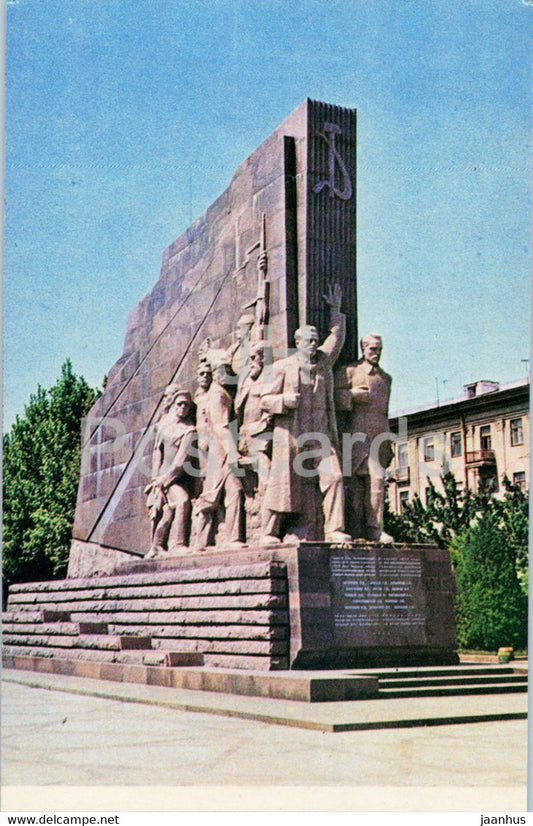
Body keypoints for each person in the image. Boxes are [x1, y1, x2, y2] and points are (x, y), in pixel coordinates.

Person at [259, 284, 351, 544]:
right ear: (297, 343)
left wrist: (335, 310)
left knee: (334, 476)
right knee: (282, 486)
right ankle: (269, 532)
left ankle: (334, 529)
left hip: (320, 435)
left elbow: (336, 339)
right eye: (308, 341)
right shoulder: (282, 367)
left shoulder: (323, 363)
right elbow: (264, 400)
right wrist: (283, 401)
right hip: (292, 434)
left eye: (315, 340)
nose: (313, 344)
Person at [335, 333, 393, 542]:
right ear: (363, 349)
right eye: (373, 349)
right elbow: (331, 398)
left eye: (379, 349)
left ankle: (372, 528)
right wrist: (351, 396)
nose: (377, 353)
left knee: (373, 480)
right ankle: (366, 527)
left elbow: (384, 412)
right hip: (356, 435)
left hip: (379, 436)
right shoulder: (350, 371)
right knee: (359, 483)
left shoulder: (385, 378)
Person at [192, 352, 245, 549]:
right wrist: (232, 451)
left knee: (232, 491)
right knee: (211, 497)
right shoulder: (217, 394)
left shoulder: (221, 392)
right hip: (219, 452)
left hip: (221, 450)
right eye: (224, 370)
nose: (228, 374)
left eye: (229, 370)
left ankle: (232, 538)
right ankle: (200, 542)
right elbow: (220, 426)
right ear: (216, 373)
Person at [144, 389, 197, 558]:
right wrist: (155, 478)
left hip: (175, 479)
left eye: (186, 405)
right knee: (165, 513)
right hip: (160, 478)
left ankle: (177, 544)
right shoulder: (163, 425)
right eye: (180, 404)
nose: (183, 407)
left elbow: (180, 462)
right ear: (173, 405)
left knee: (182, 501)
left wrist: (164, 480)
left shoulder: (190, 431)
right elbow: (157, 451)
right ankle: (157, 546)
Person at [234, 341, 273, 540]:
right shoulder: (246, 380)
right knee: (245, 488)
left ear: (264, 358)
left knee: (266, 476)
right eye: (249, 357)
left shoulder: (271, 379)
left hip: (260, 437)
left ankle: (267, 530)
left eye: (254, 357)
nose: (250, 361)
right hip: (243, 437)